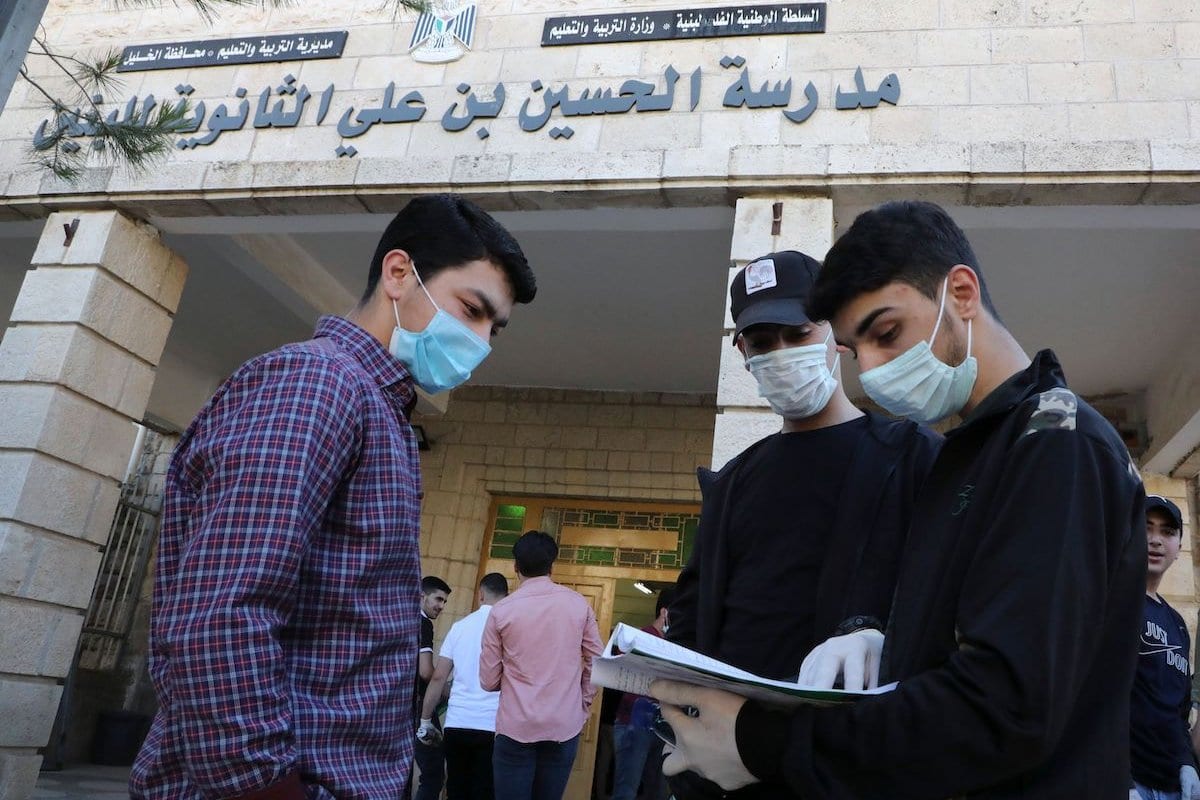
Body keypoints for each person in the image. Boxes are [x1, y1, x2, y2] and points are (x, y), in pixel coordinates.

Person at [651, 200, 1146, 799]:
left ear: (961, 293)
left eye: (886, 333)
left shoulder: (1055, 441)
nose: (873, 368)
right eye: (857, 347)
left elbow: (1004, 706)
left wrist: (765, 744)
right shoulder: (972, 456)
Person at [130, 194, 536, 800]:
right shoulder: (317, 382)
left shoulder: (381, 408)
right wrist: (267, 789)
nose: (479, 340)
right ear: (398, 273)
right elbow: (221, 617)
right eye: (472, 310)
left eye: (493, 329)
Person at [666, 250, 941, 798]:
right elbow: (692, 618)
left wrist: (877, 632)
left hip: (845, 764)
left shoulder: (911, 457)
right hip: (726, 764)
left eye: (797, 334)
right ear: (742, 351)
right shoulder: (733, 481)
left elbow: (949, 598)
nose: (781, 354)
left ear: (835, 332)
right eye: (762, 343)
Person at [480, 531, 604, 800]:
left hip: (515, 726)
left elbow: (488, 681)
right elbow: (598, 660)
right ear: (552, 566)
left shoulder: (501, 611)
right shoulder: (578, 604)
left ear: (516, 567)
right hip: (564, 725)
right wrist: (582, 702)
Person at [418, 572, 509, 800]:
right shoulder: (510, 629)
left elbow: (437, 678)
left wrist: (426, 720)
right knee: (485, 790)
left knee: (457, 790)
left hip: (457, 723)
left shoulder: (459, 627)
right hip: (493, 725)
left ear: (480, 595)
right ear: (506, 598)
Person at [1131, 496, 1199, 800]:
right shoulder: (1110, 601)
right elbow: (1093, 696)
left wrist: (1187, 763)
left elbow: (1178, 709)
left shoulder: (1178, 625)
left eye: (1168, 532)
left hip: (1173, 785)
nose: (1156, 540)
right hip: (1126, 778)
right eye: (1146, 527)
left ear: (1179, 547)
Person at [612, 590, 674, 800]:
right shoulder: (641, 638)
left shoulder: (674, 645)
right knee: (626, 790)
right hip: (633, 725)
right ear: (665, 613)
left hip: (663, 729)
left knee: (657, 791)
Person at [414, 576, 451, 800]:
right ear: (422, 596)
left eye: (445, 601)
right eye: (438, 599)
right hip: (418, 707)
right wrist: (448, 691)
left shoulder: (405, 620)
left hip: (394, 704)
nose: (441, 606)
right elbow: (426, 671)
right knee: (434, 774)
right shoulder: (423, 623)